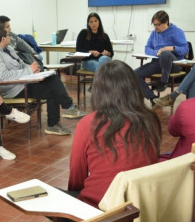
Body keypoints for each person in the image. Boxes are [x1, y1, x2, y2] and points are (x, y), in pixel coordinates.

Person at [68, 61, 161, 208]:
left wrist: (73, 199)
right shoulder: (150, 119)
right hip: (140, 204)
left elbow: (77, 174)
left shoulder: (88, 124)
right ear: (134, 87)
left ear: (98, 91)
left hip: (99, 209)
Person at [0, 26, 86, 136]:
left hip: (24, 82)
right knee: (52, 90)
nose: (11, 37)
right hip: (13, 89)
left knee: (53, 78)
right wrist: (29, 70)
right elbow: (3, 77)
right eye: (8, 35)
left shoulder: (8, 48)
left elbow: (20, 63)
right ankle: (60, 117)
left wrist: (33, 69)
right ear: (3, 39)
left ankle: (66, 110)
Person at [134, 10, 189, 100]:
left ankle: (164, 81)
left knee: (165, 53)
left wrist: (172, 48)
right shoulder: (154, 33)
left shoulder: (177, 31)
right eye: (154, 24)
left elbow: (185, 49)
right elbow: (147, 48)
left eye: (158, 25)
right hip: (158, 63)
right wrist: (156, 52)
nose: (156, 27)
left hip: (174, 64)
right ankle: (152, 98)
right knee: (135, 74)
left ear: (166, 22)